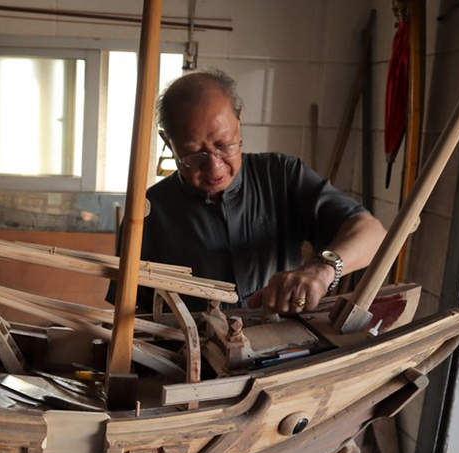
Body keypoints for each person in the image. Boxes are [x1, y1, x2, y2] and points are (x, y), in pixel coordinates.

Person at [108, 68, 386, 314]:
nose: (214, 167)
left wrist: (321, 271)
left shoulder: (281, 175)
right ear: (168, 142)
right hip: (190, 353)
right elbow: (131, 314)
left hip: (283, 346)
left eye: (225, 145)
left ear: (238, 121)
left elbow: (373, 233)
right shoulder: (147, 213)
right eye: (194, 154)